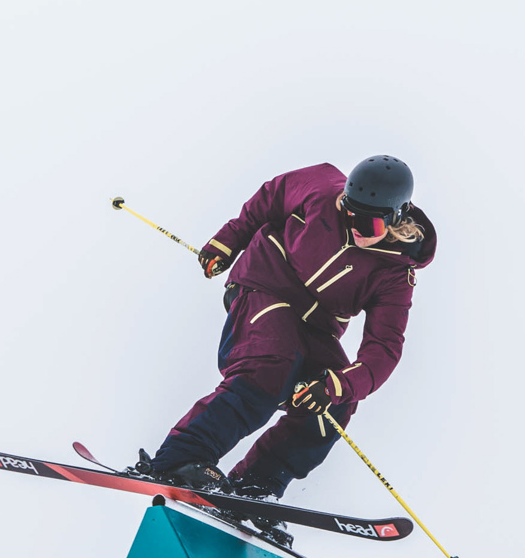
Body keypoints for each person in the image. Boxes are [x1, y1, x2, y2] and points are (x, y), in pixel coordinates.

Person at [133, 157, 436, 520]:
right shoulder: (321, 188)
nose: (355, 227)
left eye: (368, 223)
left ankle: (256, 487)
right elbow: (270, 197)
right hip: (264, 285)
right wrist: (228, 240)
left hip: (315, 328)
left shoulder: (394, 275)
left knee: (334, 405)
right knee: (271, 365)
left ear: (396, 218)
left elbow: (383, 350)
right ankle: (181, 457)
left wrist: (338, 386)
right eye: (349, 213)